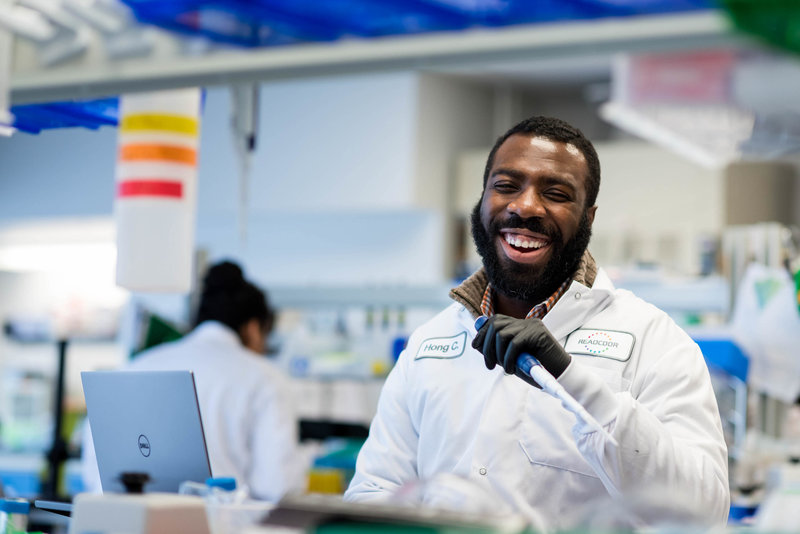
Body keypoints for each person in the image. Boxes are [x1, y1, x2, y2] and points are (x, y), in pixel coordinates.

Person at [344, 116, 729, 531]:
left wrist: (574, 382)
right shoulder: (429, 342)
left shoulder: (655, 341)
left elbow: (702, 513)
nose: (524, 206)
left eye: (556, 193)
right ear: (483, 198)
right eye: (506, 186)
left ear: (588, 217)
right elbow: (374, 493)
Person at [82, 261, 306, 502]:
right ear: (253, 328)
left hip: (125, 522)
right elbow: (276, 485)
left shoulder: (136, 365)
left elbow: (94, 470)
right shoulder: (266, 379)